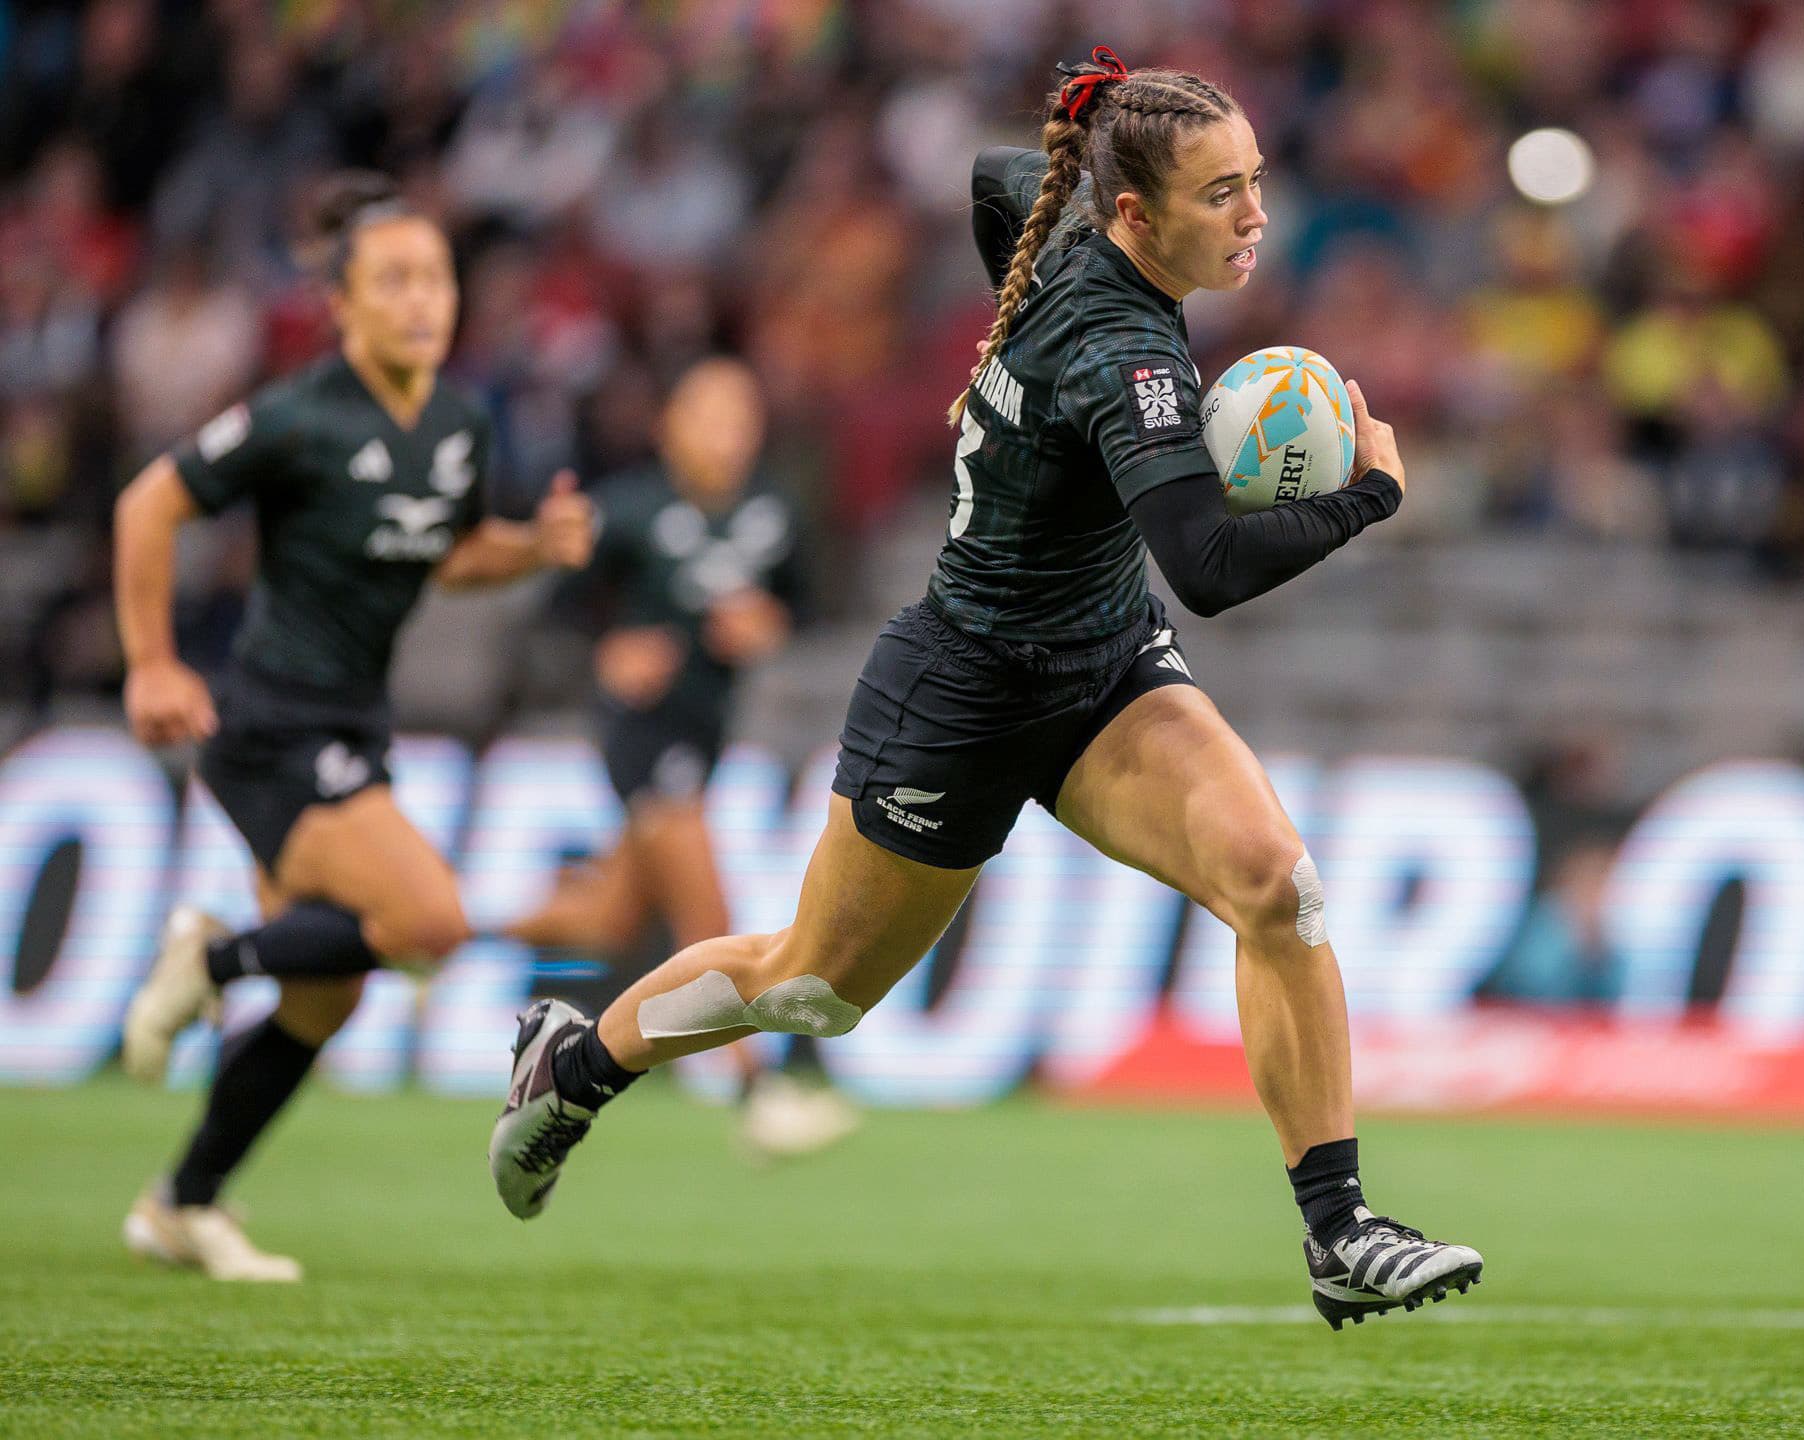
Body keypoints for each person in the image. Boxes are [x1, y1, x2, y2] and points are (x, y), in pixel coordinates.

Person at [487, 49, 1484, 1329]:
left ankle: (1340, 1231)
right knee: (812, 987)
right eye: (1221, 192)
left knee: (1274, 883)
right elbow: (1209, 568)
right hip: (960, 692)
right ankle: (575, 1064)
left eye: (1254, 179)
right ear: (1137, 217)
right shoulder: (1126, 352)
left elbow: (996, 176)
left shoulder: (1066, 230)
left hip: (1104, 670)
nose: (1255, 214)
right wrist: (1372, 494)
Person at [113, 172, 595, 1281]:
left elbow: (452, 555)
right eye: (394, 281)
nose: (423, 300)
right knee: (429, 921)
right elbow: (150, 502)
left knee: (324, 996)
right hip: (272, 724)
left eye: (436, 278)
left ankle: (182, 1203)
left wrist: (533, 546)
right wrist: (151, 662)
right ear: (340, 304)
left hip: (351, 725)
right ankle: (211, 956)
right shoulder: (299, 415)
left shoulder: (460, 423)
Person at [500, 357, 856, 1159]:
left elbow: (806, 604)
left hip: (705, 733)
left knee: (602, 921)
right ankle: (757, 1092)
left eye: (741, 420)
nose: (727, 437)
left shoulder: (774, 510)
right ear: (670, 427)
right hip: (642, 734)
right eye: (709, 418)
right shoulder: (628, 509)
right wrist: (608, 650)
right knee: (709, 912)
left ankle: (435, 935)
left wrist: (770, 625)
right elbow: (553, 618)